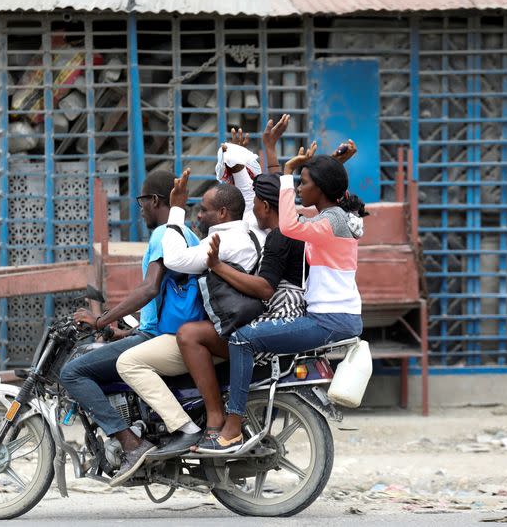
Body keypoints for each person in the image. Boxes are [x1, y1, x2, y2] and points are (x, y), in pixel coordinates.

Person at [179, 118, 359, 442]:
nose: (299, 189)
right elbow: (273, 197)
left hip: (328, 318)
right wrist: (289, 159)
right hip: (329, 314)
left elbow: (284, 218)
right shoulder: (327, 218)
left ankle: (231, 426)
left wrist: (289, 169)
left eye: (305, 183)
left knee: (242, 339)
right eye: (298, 184)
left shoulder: (323, 223)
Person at [112, 173, 261, 478]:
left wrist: (177, 208)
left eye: (203, 209)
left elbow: (176, 261)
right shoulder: (234, 233)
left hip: (228, 331)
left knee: (137, 358)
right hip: (227, 325)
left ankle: (192, 426)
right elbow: (241, 195)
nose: (198, 214)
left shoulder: (222, 242)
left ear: (221, 214)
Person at [59, 170, 199, 482]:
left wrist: (100, 319)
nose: (141, 209)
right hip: (157, 332)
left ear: (155, 200)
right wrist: (118, 330)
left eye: (142, 202)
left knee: (73, 372)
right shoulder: (187, 234)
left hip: (158, 337)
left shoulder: (163, 234)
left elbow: (150, 288)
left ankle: (131, 444)